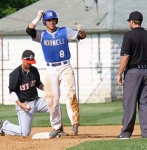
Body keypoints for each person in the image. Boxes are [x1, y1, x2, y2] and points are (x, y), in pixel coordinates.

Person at [26, 10, 86, 138]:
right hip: (51, 69)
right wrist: (37, 17)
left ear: (56, 21)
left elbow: (82, 36)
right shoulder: (42, 35)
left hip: (65, 66)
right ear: (45, 22)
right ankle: (57, 127)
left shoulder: (64, 31)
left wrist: (81, 31)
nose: (51, 22)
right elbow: (29, 30)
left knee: (70, 94)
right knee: (51, 99)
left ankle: (74, 123)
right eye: (48, 20)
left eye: (53, 19)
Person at [0, 50, 51, 136]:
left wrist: (47, 89)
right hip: (24, 104)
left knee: (55, 106)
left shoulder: (34, 70)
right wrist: (21, 105)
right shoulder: (15, 74)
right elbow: (12, 91)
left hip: (37, 101)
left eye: (31, 62)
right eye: (28, 62)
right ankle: (5, 126)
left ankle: (58, 129)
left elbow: (38, 83)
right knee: (24, 133)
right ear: (22, 60)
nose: (29, 64)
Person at [117, 11, 147, 139]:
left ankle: (125, 133)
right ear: (140, 22)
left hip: (133, 72)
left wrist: (119, 73)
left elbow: (125, 57)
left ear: (131, 22)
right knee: (145, 103)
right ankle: (146, 134)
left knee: (129, 103)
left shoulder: (129, 35)